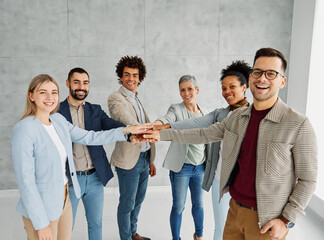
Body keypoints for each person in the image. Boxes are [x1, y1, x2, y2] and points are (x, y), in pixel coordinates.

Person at [143, 48, 318, 240]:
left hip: (266, 222)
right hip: (234, 212)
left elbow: (308, 179)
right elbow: (203, 133)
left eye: (271, 74)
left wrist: (286, 220)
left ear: (282, 81)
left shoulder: (298, 123)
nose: (262, 79)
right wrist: (161, 135)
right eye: (258, 72)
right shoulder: (237, 117)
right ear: (250, 78)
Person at [10, 74, 153, 240]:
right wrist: (41, 224)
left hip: (64, 199)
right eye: (43, 92)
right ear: (31, 96)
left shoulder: (58, 120)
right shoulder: (24, 129)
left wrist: (127, 131)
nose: (50, 97)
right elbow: (26, 182)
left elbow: (90, 137)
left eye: (54, 92)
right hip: (42, 205)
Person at [155, 61, 251, 240]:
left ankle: (199, 235)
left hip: (241, 181)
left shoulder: (253, 115)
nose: (227, 92)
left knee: (239, 226)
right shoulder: (220, 114)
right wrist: (164, 127)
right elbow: (196, 124)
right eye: (223, 88)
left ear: (244, 87)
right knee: (220, 225)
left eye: (232, 87)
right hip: (218, 179)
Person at [58, 67, 124, 240]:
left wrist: (131, 131)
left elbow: (111, 125)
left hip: (95, 178)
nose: (81, 87)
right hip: (70, 180)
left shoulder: (95, 110)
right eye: (77, 82)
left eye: (85, 83)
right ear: (68, 83)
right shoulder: (57, 111)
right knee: (65, 227)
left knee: (96, 224)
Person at [108, 56, 156, 240]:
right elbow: (122, 116)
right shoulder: (116, 98)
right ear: (120, 77)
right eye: (126, 75)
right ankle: (126, 238)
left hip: (143, 159)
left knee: (138, 201)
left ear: (140, 77)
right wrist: (141, 128)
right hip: (128, 161)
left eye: (135, 75)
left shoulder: (136, 98)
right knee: (127, 203)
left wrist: (150, 160)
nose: (131, 79)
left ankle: (133, 232)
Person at [155, 75, 208, 240]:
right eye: (182, 90)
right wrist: (157, 124)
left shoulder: (205, 113)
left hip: (200, 167)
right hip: (182, 168)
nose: (186, 93)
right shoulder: (176, 109)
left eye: (190, 89)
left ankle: (198, 235)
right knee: (178, 206)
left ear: (197, 90)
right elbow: (167, 119)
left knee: (199, 205)